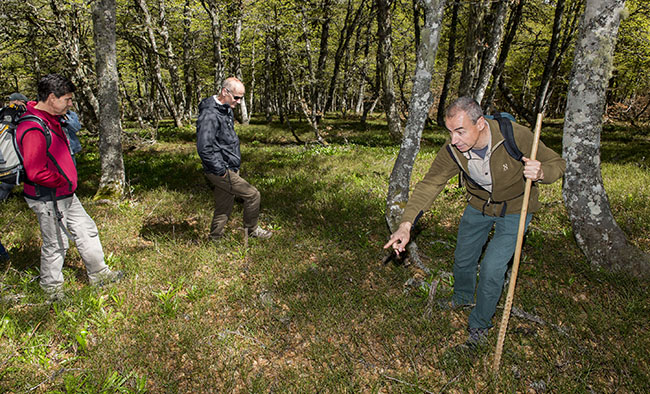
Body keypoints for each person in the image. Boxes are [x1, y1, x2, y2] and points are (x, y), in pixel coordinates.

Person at [384, 97, 565, 350]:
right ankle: (462, 297)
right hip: (479, 205)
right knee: (464, 257)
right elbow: (430, 184)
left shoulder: (515, 135)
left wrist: (542, 173)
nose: (454, 139)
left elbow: (557, 162)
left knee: (492, 267)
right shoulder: (453, 150)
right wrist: (406, 224)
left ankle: (479, 324)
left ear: (480, 123)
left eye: (460, 131)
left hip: (515, 208)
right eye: (450, 132)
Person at [16, 74, 123, 301]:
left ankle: (100, 274)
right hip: (47, 196)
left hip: (65, 194)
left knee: (86, 229)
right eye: (67, 99)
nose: (70, 103)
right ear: (52, 98)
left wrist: (67, 183)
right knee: (56, 243)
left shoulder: (52, 118)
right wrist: (61, 180)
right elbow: (35, 171)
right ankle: (52, 290)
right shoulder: (33, 126)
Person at [196, 77, 272, 240]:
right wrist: (221, 171)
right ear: (225, 92)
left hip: (229, 166)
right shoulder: (209, 114)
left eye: (241, 98)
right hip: (221, 169)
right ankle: (251, 231)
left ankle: (215, 237)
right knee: (253, 195)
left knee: (224, 205)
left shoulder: (226, 108)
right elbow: (204, 147)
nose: (238, 102)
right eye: (236, 97)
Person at [0, 93, 29, 200]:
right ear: (17, 102)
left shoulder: (2, 112)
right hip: (10, 155)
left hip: (5, 154)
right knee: (7, 182)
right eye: (24, 103)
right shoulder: (15, 114)